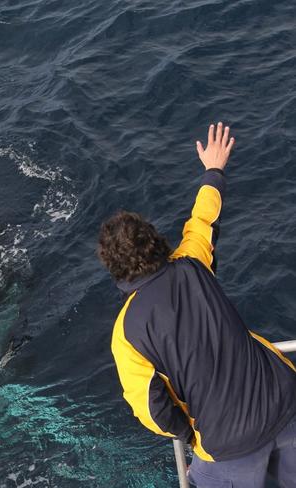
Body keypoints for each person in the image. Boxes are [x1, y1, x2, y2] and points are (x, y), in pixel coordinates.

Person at [98, 122, 296, 487]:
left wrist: (191, 438)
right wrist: (214, 169)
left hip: (228, 445)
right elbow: (204, 218)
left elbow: (153, 410)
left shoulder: (126, 331)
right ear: (156, 241)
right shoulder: (192, 262)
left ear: (114, 271)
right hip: (286, 397)